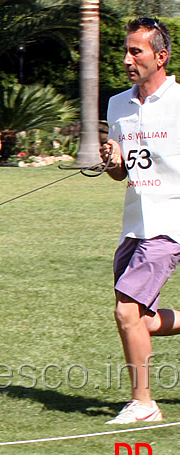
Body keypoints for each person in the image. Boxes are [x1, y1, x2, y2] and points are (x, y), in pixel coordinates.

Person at [99, 17, 180, 424]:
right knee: (141, 320)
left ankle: (144, 404)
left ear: (160, 56)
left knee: (126, 314)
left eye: (137, 51)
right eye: (126, 51)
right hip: (134, 222)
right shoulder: (116, 104)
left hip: (171, 222)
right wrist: (112, 162)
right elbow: (122, 172)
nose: (128, 59)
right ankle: (142, 401)